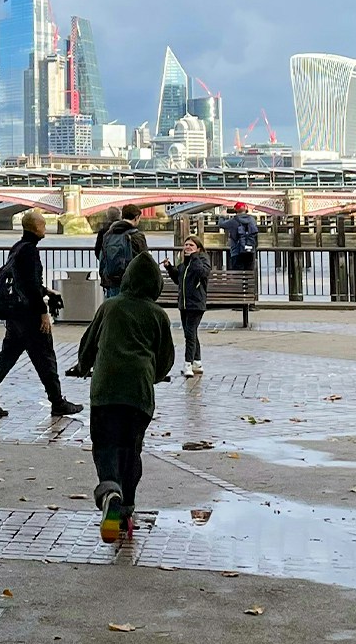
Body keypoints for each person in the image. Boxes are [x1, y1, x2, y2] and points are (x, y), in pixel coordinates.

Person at [68, 252, 174, 542]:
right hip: (139, 394)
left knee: (105, 447)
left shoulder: (110, 307)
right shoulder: (158, 315)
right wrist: (152, 374)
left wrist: (83, 365)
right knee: (131, 450)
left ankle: (109, 492)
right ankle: (126, 509)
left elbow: (88, 344)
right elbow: (166, 359)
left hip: (105, 391)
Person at [0, 210, 84, 419]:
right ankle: (57, 402)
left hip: (15, 315)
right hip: (29, 315)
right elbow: (30, 286)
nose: (45, 228)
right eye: (43, 225)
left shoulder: (18, 248)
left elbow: (23, 282)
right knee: (45, 357)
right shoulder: (30, 252)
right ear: (35, 227)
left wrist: (46, 291)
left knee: (7, 356)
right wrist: (43, 312)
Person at [164, 235, 211, 378]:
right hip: (184, 303)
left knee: (189, 334)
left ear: (198, 248)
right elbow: (179, 280)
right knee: (190, 333)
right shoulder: (184, 263)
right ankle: (197, 362)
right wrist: (170, 268)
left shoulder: (202, 260)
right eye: (186, 245)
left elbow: (202, 273)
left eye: (191, 245)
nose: (188, 247)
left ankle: (188, 364)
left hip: (196, 303)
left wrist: (194, 257)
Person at [96, 204, 149, 299]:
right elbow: (145, 261)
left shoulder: (108, 235)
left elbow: (102, 257)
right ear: (136, 218)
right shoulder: (137, 236)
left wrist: (106, 280)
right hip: (131, 285)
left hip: (111, 283)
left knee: (112, 312)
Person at [218, 202, 259, 272]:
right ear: (246, 209)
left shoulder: (234, 221)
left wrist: (222, 216)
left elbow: (221, 224)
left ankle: (239, 283)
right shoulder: (252, 220)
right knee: (249, 274)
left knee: (237, 274)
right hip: (250, 251)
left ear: (235, 210)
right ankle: (248, 283)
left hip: (236, 251)